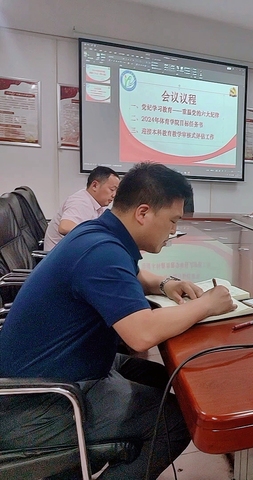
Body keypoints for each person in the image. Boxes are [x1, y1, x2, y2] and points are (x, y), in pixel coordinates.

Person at [0, 162, 236, 479]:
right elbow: (141, 334)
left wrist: (165, 283)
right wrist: (207, 304)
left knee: (168, 378)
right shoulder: (102, 252)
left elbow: (132, 275)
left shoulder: (98, 232)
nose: (173, 231)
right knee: (177, 422)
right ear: (143, 213)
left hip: (63, 368)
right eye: (172, 221)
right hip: (38, 403)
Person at [44, 166, 120, 250]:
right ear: (95, 185)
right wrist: (99, 235)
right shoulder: (80, 202)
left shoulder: (98, 205)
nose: (114, 195)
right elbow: (64, 227)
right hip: (61, 255)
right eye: (112, 189)